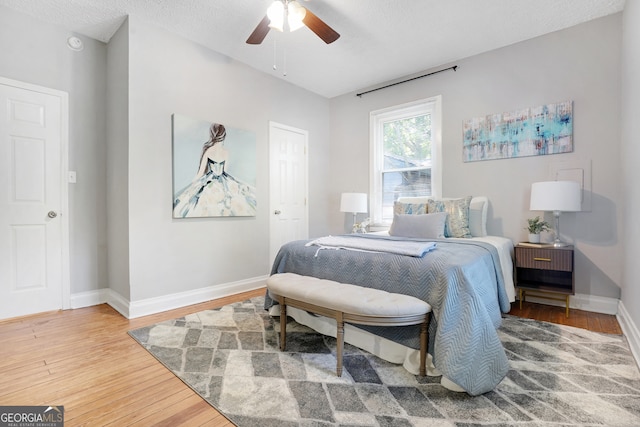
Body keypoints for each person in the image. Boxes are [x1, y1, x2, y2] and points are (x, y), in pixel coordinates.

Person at [173, 123, 256, 217]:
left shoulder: (208, 150)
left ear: (212, 134)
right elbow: (224, 170)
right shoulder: (226, 152)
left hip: (209, 181)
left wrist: (192, 185)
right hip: (224, 181)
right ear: (224, 136)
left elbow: (200, 173)